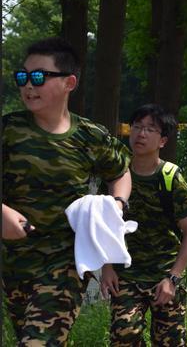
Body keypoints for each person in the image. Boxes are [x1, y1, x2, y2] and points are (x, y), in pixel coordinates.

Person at [2, 37, 132, 345]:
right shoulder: (9, 130)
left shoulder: (90, 135)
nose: (28, 86)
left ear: (69, 82)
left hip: (64, 265)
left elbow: (121, 172)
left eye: (38, 77)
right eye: (23, 77)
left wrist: (118, 203)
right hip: (15, 265)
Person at [101, 104, 187, 346]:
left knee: (170, 342)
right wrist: (106, 268)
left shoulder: (170, 177)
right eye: (136, 127)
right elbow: (102, 225)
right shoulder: (116, 174)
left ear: (163, 141)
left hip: (164, 276)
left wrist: (173, 279)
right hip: (126, 275)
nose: (141, 134)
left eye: (150, 129)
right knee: (124, 336)